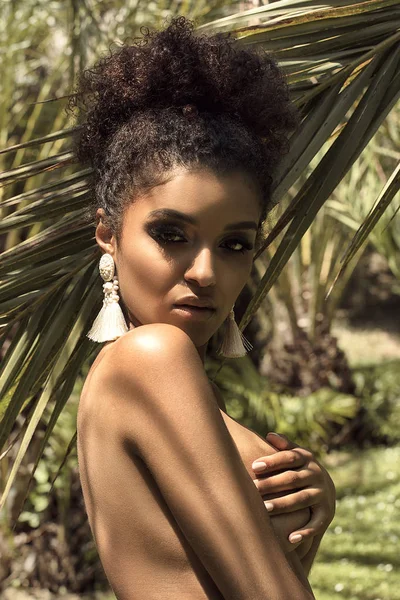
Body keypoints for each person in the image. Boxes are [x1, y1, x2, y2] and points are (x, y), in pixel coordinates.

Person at [73, 16, 336, 600]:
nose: (205, 271)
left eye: (235, 244)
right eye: (171, 235)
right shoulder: (149, 359)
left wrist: (311, 516)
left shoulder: (147, 382)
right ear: (108, 233)